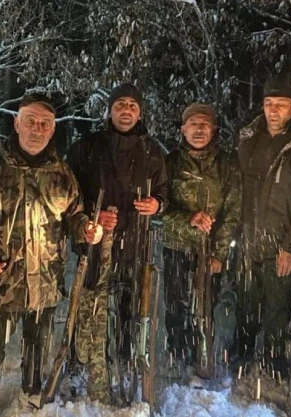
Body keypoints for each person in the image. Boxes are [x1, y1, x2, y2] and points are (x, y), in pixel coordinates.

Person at [0, 94, 102, 416]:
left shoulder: (61, 172)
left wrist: (86, 228)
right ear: (17, 124)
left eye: (45, 123)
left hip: (43, 280)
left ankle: (31, 395)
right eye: (30, 121)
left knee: (38, 346)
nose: (37, 129)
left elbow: (74, 215)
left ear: (53, 129)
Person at [67, 83, 168, 402]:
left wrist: (157, 204)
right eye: (120, 105)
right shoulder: (87, 147)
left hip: (135, 242)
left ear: (140, 112)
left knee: (129, 305)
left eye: (132, 106)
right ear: (110, 110)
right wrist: (91, 216)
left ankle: (123, 360)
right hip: (96, 242)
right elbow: (70, 193)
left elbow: (165, 192)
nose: (126, 110)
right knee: (90, 303)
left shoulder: (153, 152)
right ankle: (79, 362)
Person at [235, 71, 291, 379]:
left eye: (281, 104)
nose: (273, 111)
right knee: (246, 302)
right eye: (268, 103)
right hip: (248, 240)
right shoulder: (249, 139)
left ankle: (273, 362)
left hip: (281, 242)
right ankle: (241, 356)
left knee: (277, 307)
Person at [161, 104, 241, 383]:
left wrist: (219, 253)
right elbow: (159, 208)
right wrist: (188, 219)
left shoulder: (227, 165)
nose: (199, 129)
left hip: (210, 251)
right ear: (183, 129)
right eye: (193, 124)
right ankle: (177, 356)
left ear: (214, 129)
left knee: (206, 307)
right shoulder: (170, 163)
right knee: (175, 306)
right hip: (176, 246)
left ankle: (202, 358)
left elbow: (233, 212)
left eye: (205, 124)